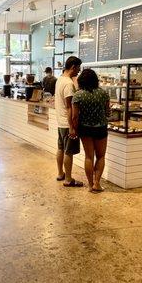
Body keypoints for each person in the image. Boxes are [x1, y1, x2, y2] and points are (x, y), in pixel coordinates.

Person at [72, 68, 110, 192]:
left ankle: (90, 184)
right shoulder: (103, 93)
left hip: (85, 128)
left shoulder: (78, 95)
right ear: (95, 80)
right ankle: (97, 184)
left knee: (89, 157)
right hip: (101, 128)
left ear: (81, 80)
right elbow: (108, 112)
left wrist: (74, 129)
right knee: (100, 156)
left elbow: (74, 116)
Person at [55, 56, 83, 187]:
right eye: (78, 68)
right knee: (68, 152)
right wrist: (72, 127)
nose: (79, 71)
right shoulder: (68, 83)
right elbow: (70, 107)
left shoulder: (60, 79)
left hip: (61, 122)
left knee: (61, 148)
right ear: (73, 67)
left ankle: (61, 173)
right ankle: (68, 179)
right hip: (67, 124)